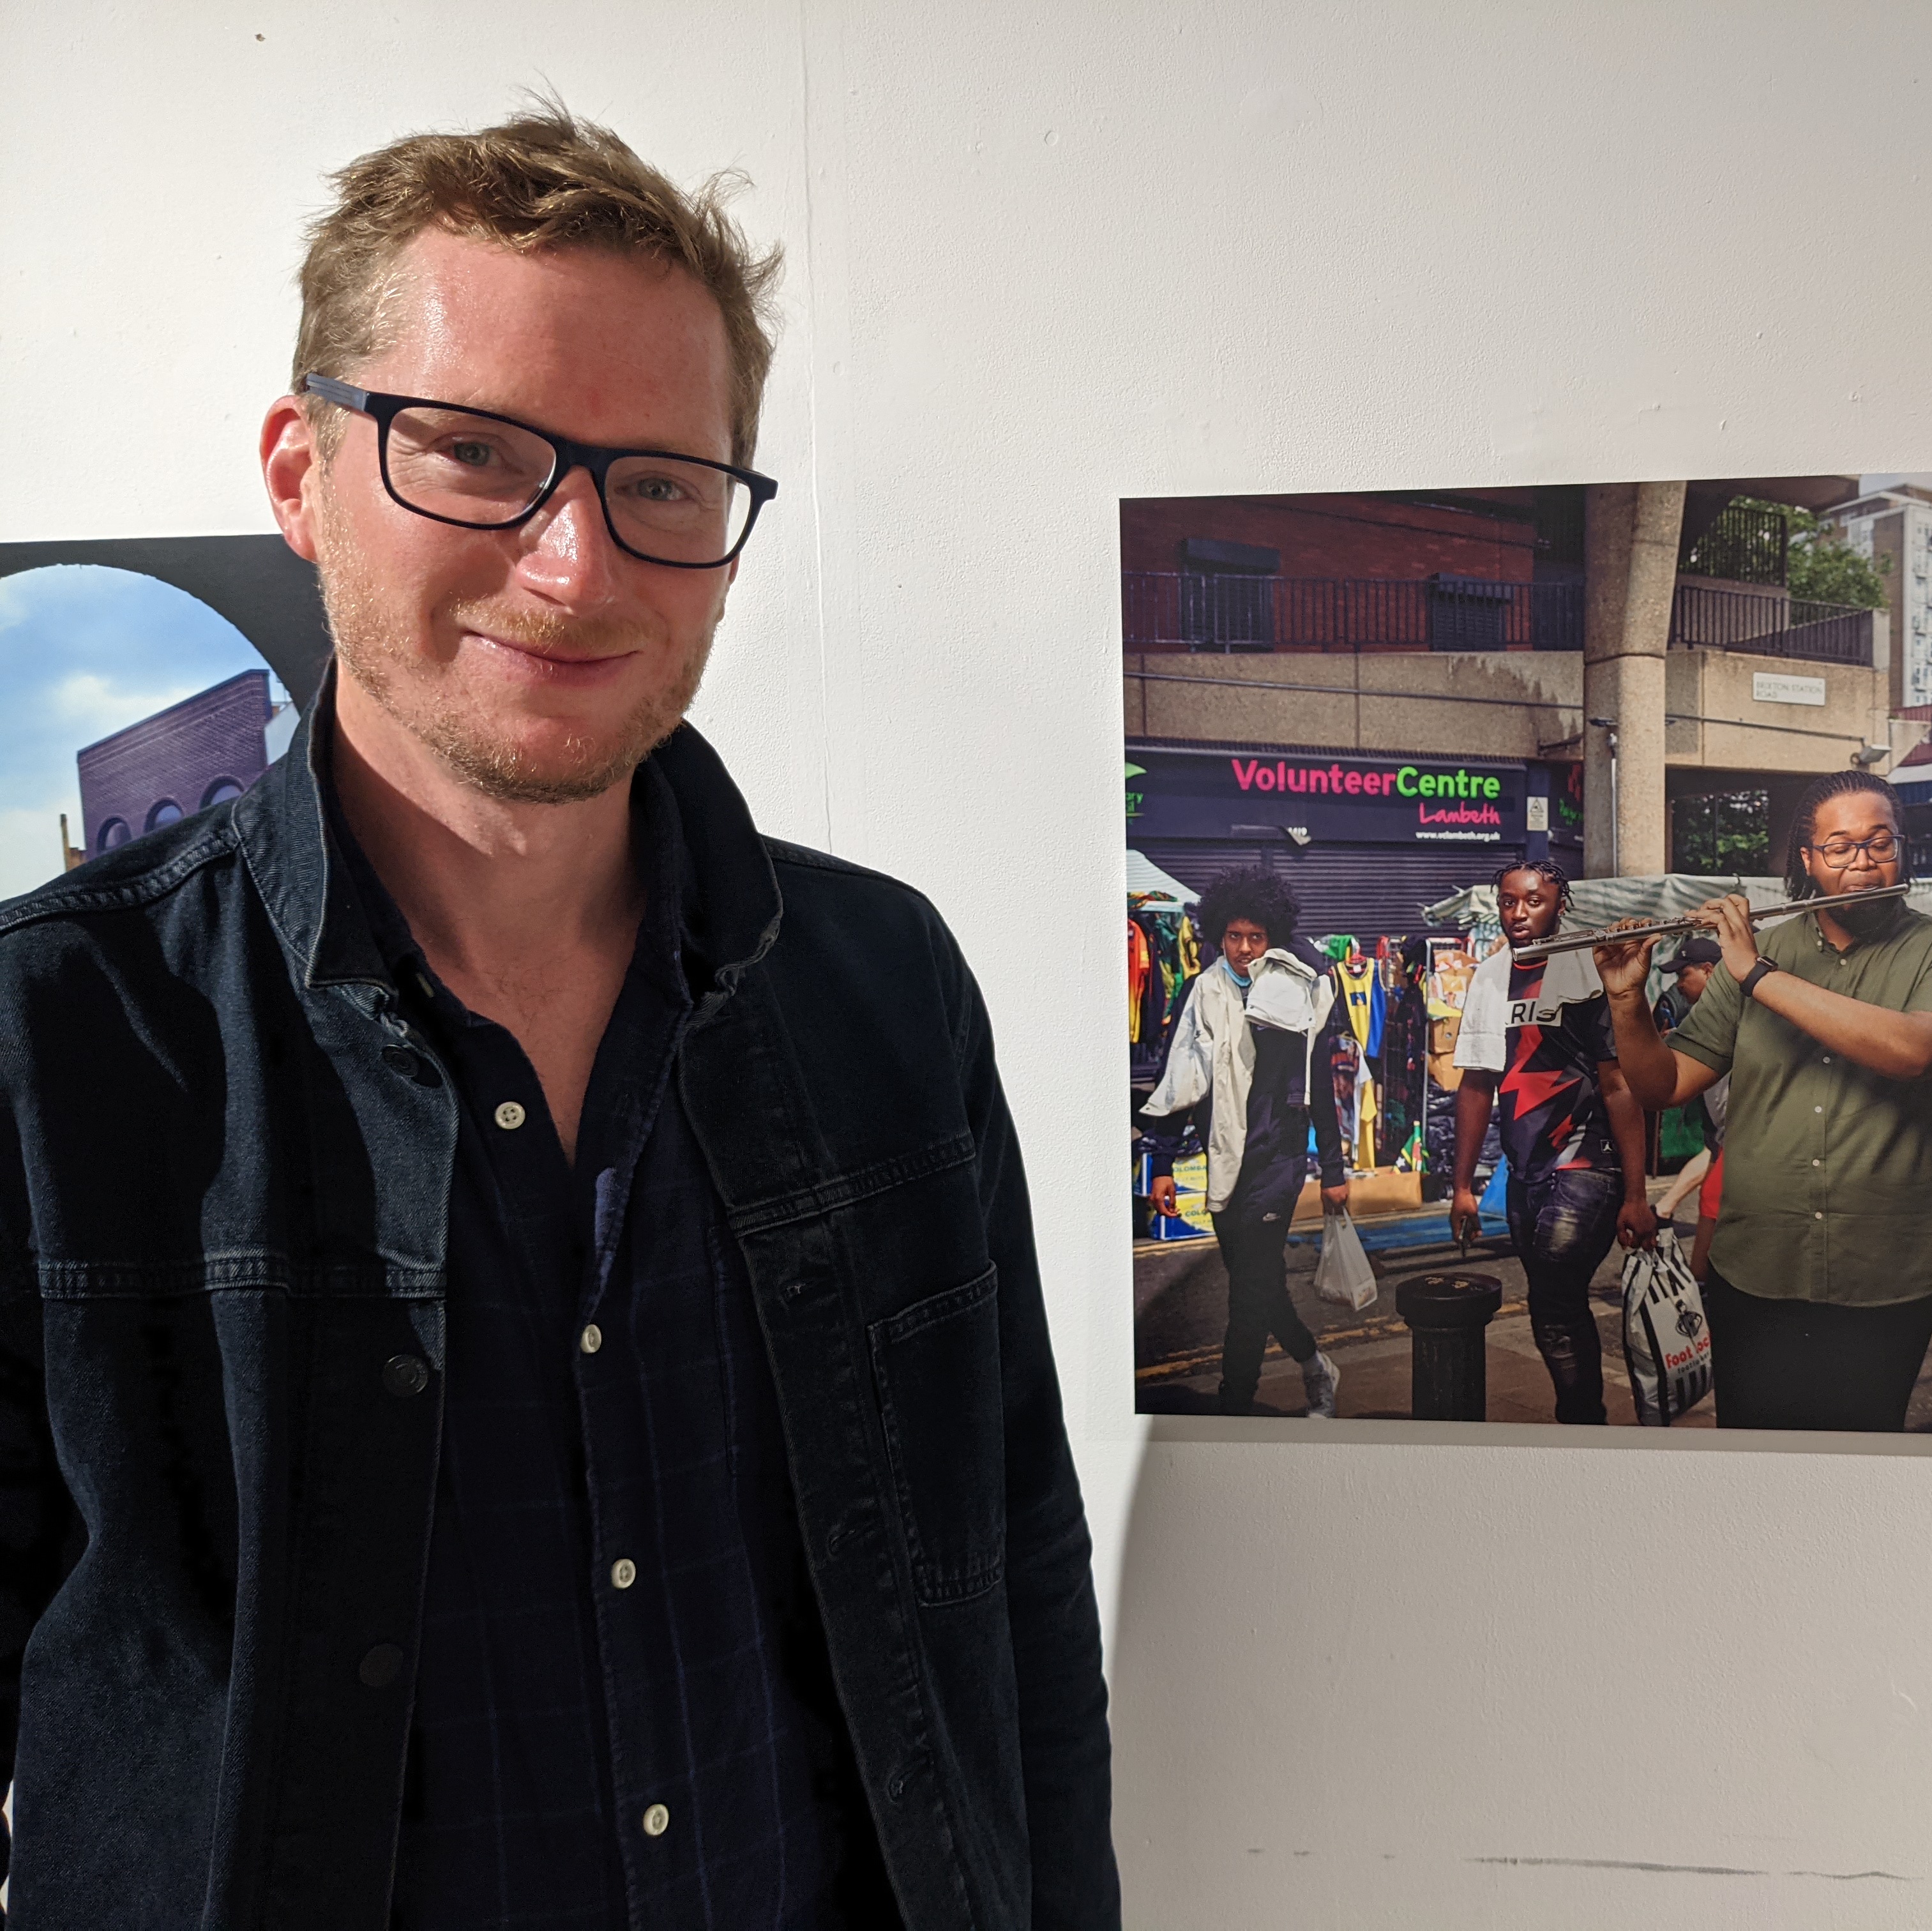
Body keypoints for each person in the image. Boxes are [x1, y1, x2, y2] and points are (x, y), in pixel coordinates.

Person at [0, 109, 1115, 1928]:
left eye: (660, 484)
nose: (577, 566)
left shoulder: (880, 984)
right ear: (300, 472)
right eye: (474, 453)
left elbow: (1015, 1591)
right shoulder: (57, 1042)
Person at [1596, 772, 1932, 1433]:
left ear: (1904, 852)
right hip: (1758, 1265)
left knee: (1861, 1454)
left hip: (1889, 1269)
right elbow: (1663, 1085)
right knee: (1758, 1449)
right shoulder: (1763, 951)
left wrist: (1756, 975)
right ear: (1806, 861)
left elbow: (1914, 1051)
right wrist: (1625, 999)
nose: (1862, 862)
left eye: (1879, 843)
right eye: (1839, 848)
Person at [1447, 859, 1657, 1425]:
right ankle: (1585, 1418)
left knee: (1556, 1299)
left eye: (1533, 901)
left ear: (1560, 904)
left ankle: (1583, 1424)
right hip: (1526, 1173)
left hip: (1588, 1164)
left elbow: (1618, 1086)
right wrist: (1462, 1186)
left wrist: (1637, 1194)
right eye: (1509, 901)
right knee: (1552, 1303)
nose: (1518, 913)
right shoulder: (1491, 976)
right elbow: (1475, 1084)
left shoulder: (1589, 968)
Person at [1138, 868, 1350, 1417]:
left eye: (1256, 937)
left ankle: (1235, 1407)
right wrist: (1161, 1164)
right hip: (1224, 1159)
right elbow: (1178, 1079)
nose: (1243, 949)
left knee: (1246, 1294)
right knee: (1258, 1284)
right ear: (1218, 934)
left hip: (1279, 1159)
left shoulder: (1295, 994)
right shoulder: (1199, 991)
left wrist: (1333, 1169)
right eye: (1234, 936)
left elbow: (1319, 1085)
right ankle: (1314, 1364)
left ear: (1273, 937)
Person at [1656, 936, 1733, 1286]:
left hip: (1745, 1142)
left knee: (1712, 1207)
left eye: (1683, 975)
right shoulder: (1704, 1016)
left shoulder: (1738, 1008)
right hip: (1727, 1138)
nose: (1678, 985)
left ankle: (1701, 1285)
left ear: (1708, 971)